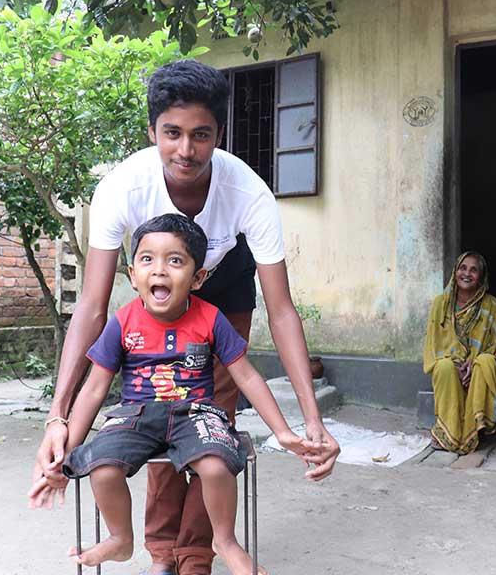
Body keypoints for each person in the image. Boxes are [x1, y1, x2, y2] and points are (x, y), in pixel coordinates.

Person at [28, 59, 339, 575]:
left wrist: (310, 419)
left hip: (224, 285)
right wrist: (58, 417)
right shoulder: (122, 188)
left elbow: (282, 311)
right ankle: (160, 551)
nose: (186, 150)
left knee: (210, 416)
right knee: (153, 404)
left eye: (201, 135)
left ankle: (197, 554)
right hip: (158, 283)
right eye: (171, 133)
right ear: (152, 131)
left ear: (220, 133)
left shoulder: (249, 193)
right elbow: (91, 305)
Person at [42, 215, 312, 573]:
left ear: (198, 277)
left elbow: (246, 377)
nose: (159, 270)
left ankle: (224, 540)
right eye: (147, 259)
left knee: (216, 467)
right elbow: (94, 389)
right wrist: (65, 449)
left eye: (175, 260)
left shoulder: (211, 318)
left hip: (196, 413)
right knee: (102, 468)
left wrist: (283, 432)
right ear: (133, 273)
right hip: (135, 416)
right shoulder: (121, 321)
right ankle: (121, 539)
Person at [423, 251, 496, 454]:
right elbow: (434, 343)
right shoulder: (441, 303)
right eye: (463, 268)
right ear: (455, 272)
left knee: (486, 362)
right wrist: (456, 364)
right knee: (444, 366)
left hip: (479, 367)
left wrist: (473, 363)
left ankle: (475, 430)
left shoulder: (491, 305)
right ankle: (450, 434)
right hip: (450, 364)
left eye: (474, 270)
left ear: (481, 276)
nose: (467, 273)